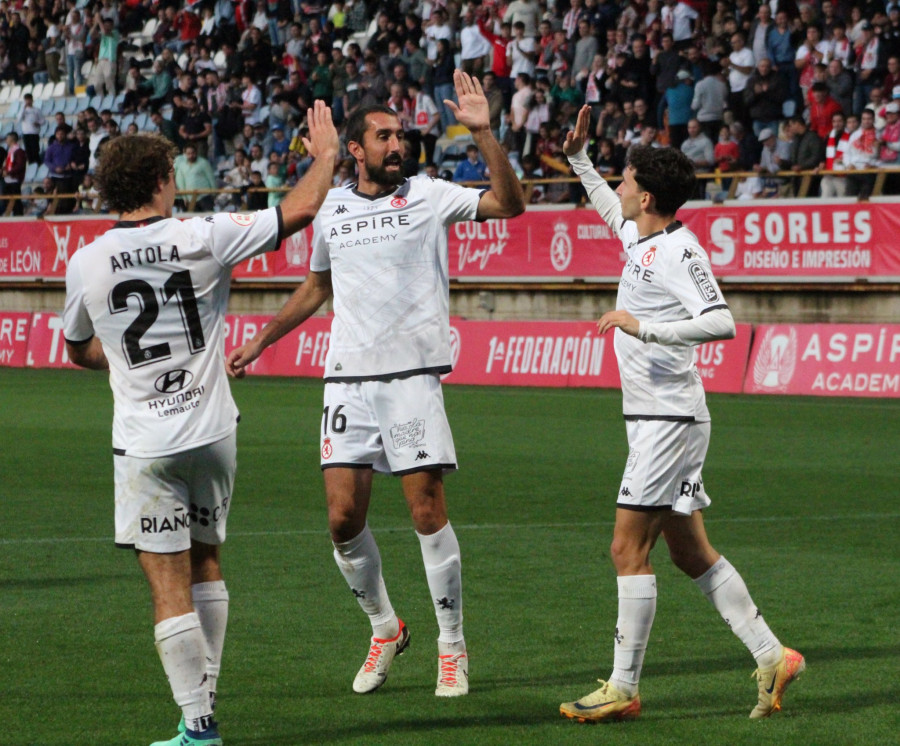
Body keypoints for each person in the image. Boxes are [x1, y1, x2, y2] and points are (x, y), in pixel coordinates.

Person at [226, 71, 525, 697]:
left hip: (412, 377)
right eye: (384, 136)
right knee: (341, 520)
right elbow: (317, 287)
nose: (399, 145)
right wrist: (260, 340)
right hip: (346, 380)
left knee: (426, 511)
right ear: (355, 151)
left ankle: (452, 646)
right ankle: (386, 627)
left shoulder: (430, 193)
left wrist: (485, 133)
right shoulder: (331, 207)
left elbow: (509, 203)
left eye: (402, 135)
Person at [61, 101, 338, 746]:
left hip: (145, 445)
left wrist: (123, 356)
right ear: (162, 178)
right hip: (214, 433)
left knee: (167, 581)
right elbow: (295, 213)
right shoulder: (203, 234)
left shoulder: (87, 262)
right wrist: (324, 156)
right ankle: (199, 710)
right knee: (207, 560)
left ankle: (200, 723)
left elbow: (77, 350)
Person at [557, 104, 805, 724]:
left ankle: (622, 687)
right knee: (689, 552)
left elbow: (721, 321)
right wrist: (579, 157)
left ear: (646, 196)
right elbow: (605, 205)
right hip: (657, 418)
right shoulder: (641, 236)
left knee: (624, 548)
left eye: (626, 179)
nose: (619, 187)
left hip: (668, 420)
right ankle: (773, 656)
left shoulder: (679, 250)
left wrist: (644, 329)